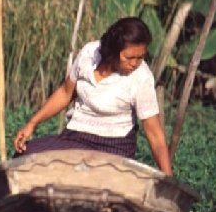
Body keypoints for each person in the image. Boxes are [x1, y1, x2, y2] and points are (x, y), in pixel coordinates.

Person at [13, 16, 172, 176]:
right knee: (25, 158)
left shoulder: (141, 77)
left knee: (84, 177)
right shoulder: (89, 54)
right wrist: (32, 124)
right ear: (113, 51)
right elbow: (65, 93)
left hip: (114, 146)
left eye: (140, 57)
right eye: (129, 58)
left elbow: (155, 134)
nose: (134, 63)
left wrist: (168, 177)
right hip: (76, 137)